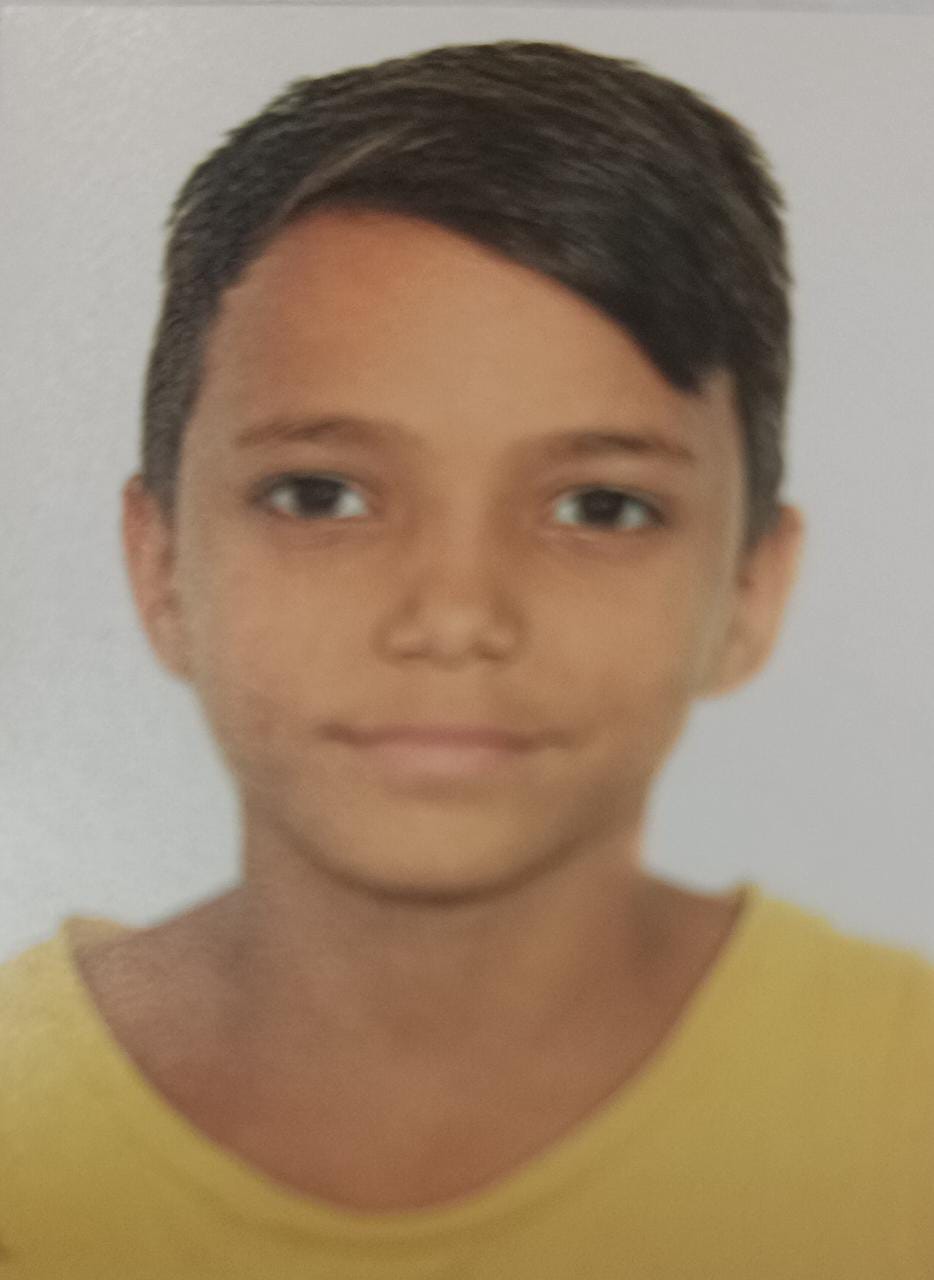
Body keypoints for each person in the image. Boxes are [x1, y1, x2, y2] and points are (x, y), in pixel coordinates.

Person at [1, 38, 930, 1279]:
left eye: (598, 507)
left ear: (749, 590)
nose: (451, 615)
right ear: (162, 563)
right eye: (321, 494)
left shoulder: (902, 1103)